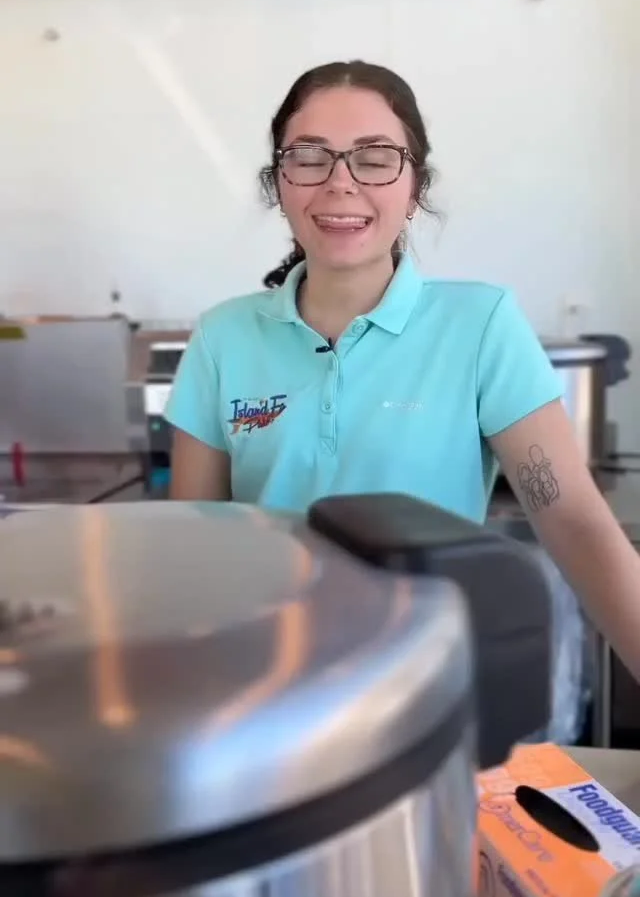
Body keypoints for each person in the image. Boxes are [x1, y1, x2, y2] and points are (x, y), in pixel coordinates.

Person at [166, 59, 640, 682]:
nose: (340, 183)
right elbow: (194, 546)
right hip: (269, 687)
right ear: (278, 183)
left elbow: (573, 519)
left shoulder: (481, 325)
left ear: (415, 188)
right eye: (309, 157)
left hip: (428, 686)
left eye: (374, 158)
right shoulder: (222, 337)